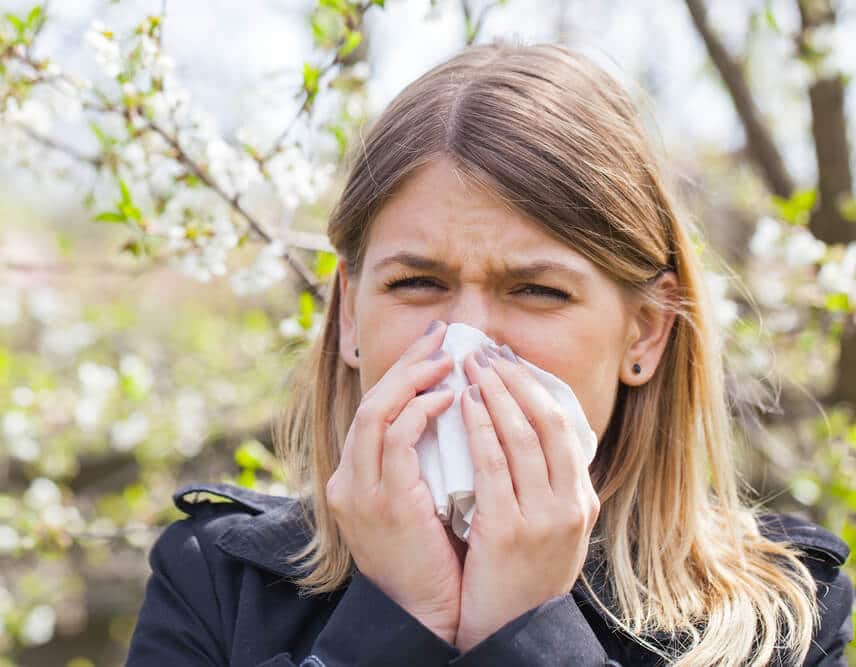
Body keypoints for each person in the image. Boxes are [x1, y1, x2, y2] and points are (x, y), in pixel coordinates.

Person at [126, 41, 853, 666]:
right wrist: (394, 620)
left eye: (536, 290)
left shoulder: (780, 615)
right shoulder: (214, 581)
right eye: (417, 282)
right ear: (349, 314)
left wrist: (529, 628)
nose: (465, 342)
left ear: (646, 332)